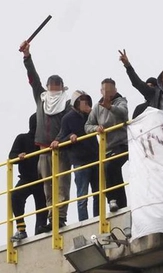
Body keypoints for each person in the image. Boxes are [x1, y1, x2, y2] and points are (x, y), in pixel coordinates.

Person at [20, 40, 71, 231]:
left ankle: (61, 217)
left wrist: (60, 139)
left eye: (57, 85)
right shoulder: (41, 99)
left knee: (62, 186)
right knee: (48, 187)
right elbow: (33, 79)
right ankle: (52, 217)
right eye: (52, 85)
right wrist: (27, 57)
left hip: (61, 150)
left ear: (62, 87)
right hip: (43, 150)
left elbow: (67, 125)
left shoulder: (66, 103)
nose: (54, 88)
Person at [51, 91, 99, 221]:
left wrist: (92, 113)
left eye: (87, 100)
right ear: (76, 102)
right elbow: (61, 137)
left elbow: (101, 124)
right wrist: (69, 137)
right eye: (83, 100)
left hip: (95, 158)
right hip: (80, 161)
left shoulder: (92, 115)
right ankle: (84, 222)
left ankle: (98, 219)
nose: (86, 103)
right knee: (82, 196)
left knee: (98, 193)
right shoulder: (68, 118)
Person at [85, 78, 129, 212]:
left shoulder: (121, 101)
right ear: (101, 91)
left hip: (122, 145)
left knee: (110, 167)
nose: (107, 93)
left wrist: (110, 107)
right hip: (106, 148)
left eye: (110, 90)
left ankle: (112, 199)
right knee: (113, 173)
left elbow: (123, 113)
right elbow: (87, 126)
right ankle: (121, 204)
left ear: (115, 90)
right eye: (105, 90)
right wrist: (96, 128)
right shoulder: (97, 107)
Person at [9, 113, 48, 241]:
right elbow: (12, 156)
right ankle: (21, 229)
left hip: (42, 179)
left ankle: (40, 231)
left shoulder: (45, 140)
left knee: (43, 205)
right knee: (16, 195)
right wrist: (19, 156)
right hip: (26, 178)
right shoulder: (22, 138)